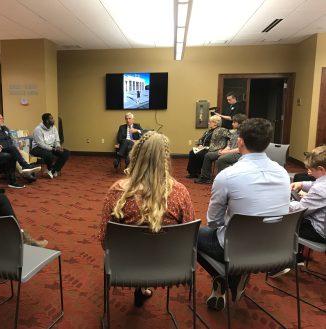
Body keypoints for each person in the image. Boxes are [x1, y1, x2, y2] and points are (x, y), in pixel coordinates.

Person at [197, 118, 290, 311]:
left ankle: (223, 278)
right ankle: (236, 275)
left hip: (236, 248)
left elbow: (213, 222)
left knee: (189, 235)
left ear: (239, 141)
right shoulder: (282, 173)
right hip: (275, 248)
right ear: (267, 143)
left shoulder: (227, 176)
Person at [99, 131, 195, 307]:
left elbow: (105, 240)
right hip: (169, 264)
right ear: (166, 158)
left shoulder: (117, 192)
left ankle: (140, 285)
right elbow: (189, 238)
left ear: (134, 155)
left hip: (126, 264)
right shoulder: (181, 192)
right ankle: (145, 285)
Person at [270, 145, 326, 277]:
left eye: (311, 170)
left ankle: (281, 263)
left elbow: (299, 210)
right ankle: (297, 257)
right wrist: (302, 184)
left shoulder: (320, 190)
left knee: (281, 221)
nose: (309, 172)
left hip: (319, 232)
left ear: (321, 169)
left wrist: (282, 202)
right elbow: (317, 183)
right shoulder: (321, 183)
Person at [0, 112, 40, 182]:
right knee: (13, 151)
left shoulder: (5, 128)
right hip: (0, 150)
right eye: (0, 118)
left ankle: (26, 170)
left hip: (11, 149)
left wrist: (17, 147)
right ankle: (26, 171)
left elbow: (12, 139)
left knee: (23, 153)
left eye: (2, 118)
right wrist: (3, 147)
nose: (2, 120)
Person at [195, 114, 247, 184]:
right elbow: (229, 145)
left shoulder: (244, 133)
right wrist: (223, 150)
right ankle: (205, 178)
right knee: (208, 155)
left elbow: (239, 149)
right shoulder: (235, 132)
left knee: (221, 159)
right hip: (230, 151)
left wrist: (224, 152)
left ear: (240, 123)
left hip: (238, 153)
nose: (232, 124)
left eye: (234, 122)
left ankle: (222, 180)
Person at [30, 113, 70, 179]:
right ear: (47, 121)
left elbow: (57, 140)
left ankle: (53, 170)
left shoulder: (54, 128)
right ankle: (50, 169)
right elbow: (41, 144)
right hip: (37, 148)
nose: (53, 120)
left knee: (66, 153)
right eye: (51, 118)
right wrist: (53, 149)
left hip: (50, 147)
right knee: (49, 155)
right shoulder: (38, 129)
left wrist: (58, 146)